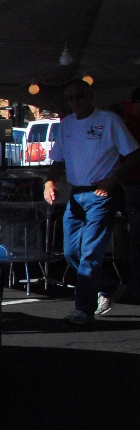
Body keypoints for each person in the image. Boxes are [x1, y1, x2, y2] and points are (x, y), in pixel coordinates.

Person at [44, 80, 140, 324]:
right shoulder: (65, 124)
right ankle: (108, 286)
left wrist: (111, 180)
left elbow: (133, 154)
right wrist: (49, 181)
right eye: (70, 98)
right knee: (70, 251)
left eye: (79, 97)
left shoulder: (108, 120)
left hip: (102, 194)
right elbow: (57, 158)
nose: (75, 102)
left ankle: (83, 309)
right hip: (77, 193)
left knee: (90, 253)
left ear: (89, 96)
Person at [120, 86, 140, 304]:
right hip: (133, 186)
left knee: (135, 239)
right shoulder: (129, 126)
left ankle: (135, 286)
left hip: (133, 186)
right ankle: (135, 285)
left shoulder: (128, 126)